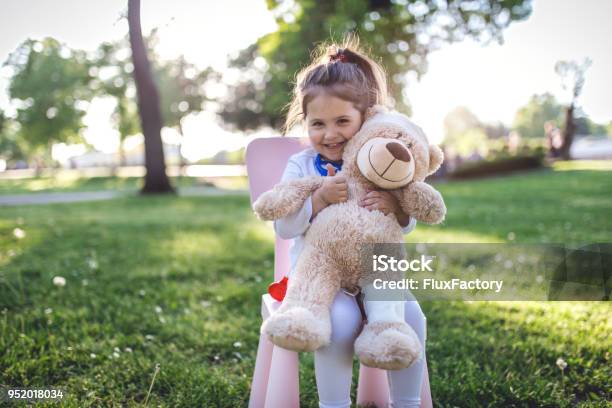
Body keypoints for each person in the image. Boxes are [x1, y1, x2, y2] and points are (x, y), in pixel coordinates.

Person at [275, 37, 427, 408]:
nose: (330, 134)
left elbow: (404, 230)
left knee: (412, 315)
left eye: (342, 121)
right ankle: (334, 405)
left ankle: (406, 402)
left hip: (377, 273)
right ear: (305, 122)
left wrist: (395, 206)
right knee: (340, 323)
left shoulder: (381, 159)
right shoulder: (301, 165)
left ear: (365, 117)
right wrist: (318, 199)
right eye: (317, 124)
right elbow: (284, 228)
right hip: (320, 280)